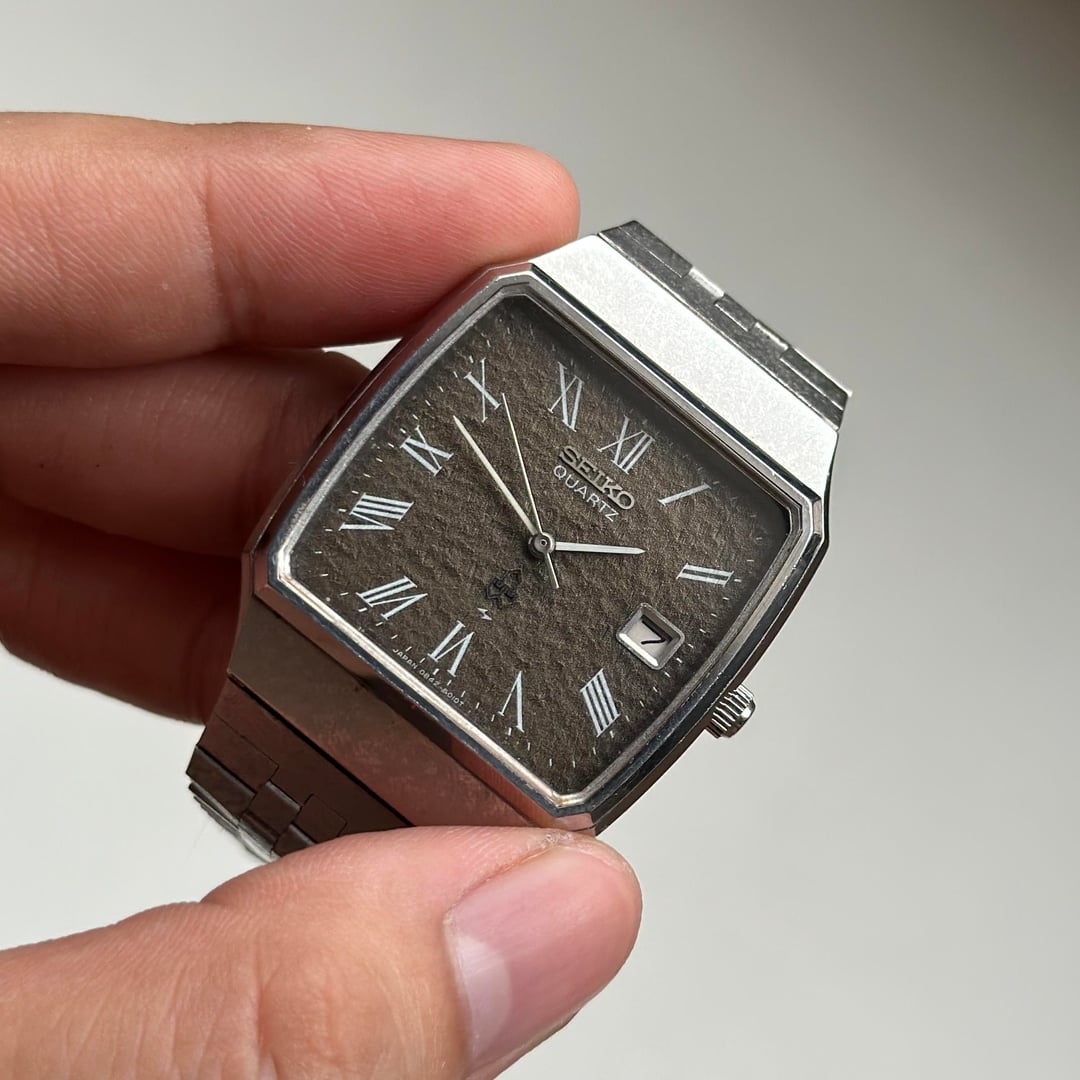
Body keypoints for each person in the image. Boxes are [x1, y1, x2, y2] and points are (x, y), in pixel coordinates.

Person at [0, 113, 642, 1079]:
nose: (541, 544)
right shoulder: (521, 317)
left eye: (547, 544)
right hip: (303, 616)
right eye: (541, 537)